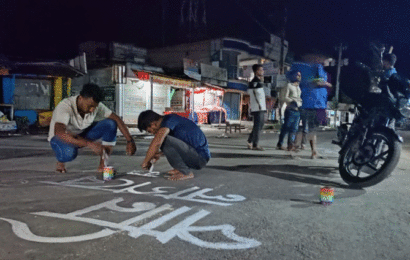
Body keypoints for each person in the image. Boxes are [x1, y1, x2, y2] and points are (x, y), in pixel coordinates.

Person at [48, 83, 136, 173]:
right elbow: (59, 133)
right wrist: (89, 144)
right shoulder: (65, 106)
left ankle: (103, 165)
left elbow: (116, 118)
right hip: (60, 138)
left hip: (81, 134)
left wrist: (130, 140)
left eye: (95, 107)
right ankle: (61, 161)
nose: (92, 110)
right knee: (69, 153)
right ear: (81, 98)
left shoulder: (96, 105)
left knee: (111, 123)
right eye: (90, 106)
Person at [137, 110, 210, 181]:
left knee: (162, 139)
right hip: (195, 155)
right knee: (163, 140)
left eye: (150, 131)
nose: (152, 133)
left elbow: (157, 142)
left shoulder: (169, 120)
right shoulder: (169, 122)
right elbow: (175, 147)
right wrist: (157, 154)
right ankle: (181, 168)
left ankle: (185, 172)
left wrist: (146, 161)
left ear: (153, 124)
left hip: (200, 158)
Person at [292, 52, 332, 159]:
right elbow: (317, 82)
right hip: (312, 102)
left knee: (309, 128)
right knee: (308, 128)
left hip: (314, 102)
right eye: (327, 59)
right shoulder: (317, 67)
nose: (329, 61)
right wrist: (329, 84)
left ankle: (311, 151)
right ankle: (297, 148)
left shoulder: (319, 68)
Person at [276, 70, 302, 151]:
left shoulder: (299, 87)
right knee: (286, 128)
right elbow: (284, 97)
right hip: (290, 110)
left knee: (294, 129)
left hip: (297, 110)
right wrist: (292, 101)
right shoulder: (288, 86)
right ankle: (280, 144)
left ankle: (290, 145)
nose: (299, 77)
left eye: (300, 75)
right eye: (297, 75)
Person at [247, 64, 267, 151]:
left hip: (261, 107)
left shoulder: (259, 82)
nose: (262, 71)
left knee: (259, 125)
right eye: (260, 70)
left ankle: (250, 141)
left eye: (262, 70)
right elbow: (254, 95)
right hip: (258, 108)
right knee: (258, 126)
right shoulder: (254, 82)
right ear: (256, 72)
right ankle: (255, 144)